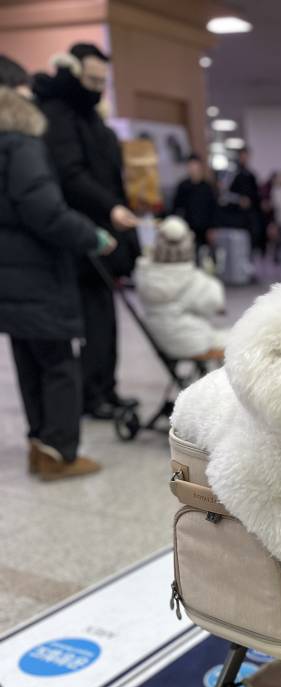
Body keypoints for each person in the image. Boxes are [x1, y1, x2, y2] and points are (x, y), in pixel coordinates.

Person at [0, 55, 116, 479]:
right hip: (39, 273)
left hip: (8, 277)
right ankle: (60, 453)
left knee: (29, 360)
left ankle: (39, 445)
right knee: (59, 365)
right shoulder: (21, 142)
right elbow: (43, 208)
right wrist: (92, 236)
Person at [33, 44, 139, 419]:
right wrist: (110, 207)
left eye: (102, 81)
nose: (97, 87)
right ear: (74, 73)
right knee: (92, 318)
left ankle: (103, 389)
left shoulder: (89, 118)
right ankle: (93, 395)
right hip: (80, 235)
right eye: (91, 79)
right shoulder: (59, 114)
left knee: (103, 316)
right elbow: (71, 173)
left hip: (102, 230)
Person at [133, 216, 227, 359]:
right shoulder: (192, 278)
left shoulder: (144, 274)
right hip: (195, 341)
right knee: (240, 341)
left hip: (164, 342)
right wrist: (209, 276)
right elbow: (215, 303)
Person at [171, 153, 217, 252]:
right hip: (187, 228)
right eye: (190, 166)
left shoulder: (207, 187)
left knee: (206, 256)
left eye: (195, 166)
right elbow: (176, 207)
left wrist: (212, 228)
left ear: (200, 167)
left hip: (204, 229)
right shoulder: (183, 186)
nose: (193, 169)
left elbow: (213, 209)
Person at [229, 145, 265, 256]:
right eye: (242, 156)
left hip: (250, 216)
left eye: (246, 156)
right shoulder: (233, 175)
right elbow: (227, 195)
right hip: (237, 216)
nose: (244, 158)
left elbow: (256, 195)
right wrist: (239, 200)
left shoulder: (251, 175)